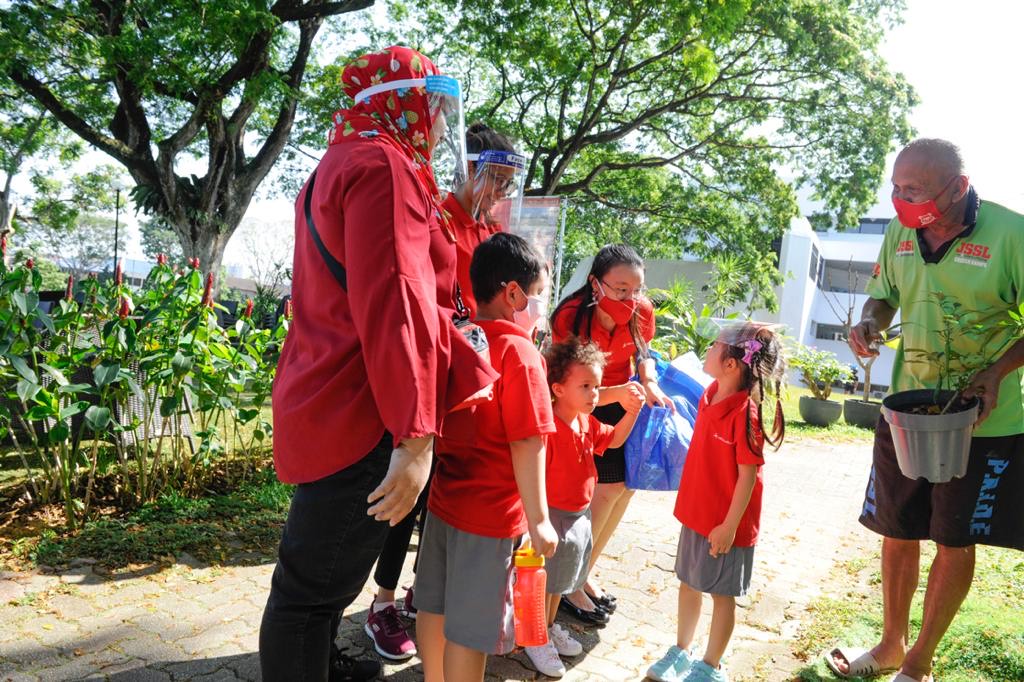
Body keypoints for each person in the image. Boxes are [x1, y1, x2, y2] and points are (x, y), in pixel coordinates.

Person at [259, 46, 497, 682]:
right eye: (435, 108)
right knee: (308, 597)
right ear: (406, 104)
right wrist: (416, 437)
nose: (443, 126)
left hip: (336, 397)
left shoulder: (343, 158)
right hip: (364, 411)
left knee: (317, 587)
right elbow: (398, 304)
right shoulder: (383, 165)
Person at [828, 138, 1024, 682]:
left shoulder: (1013, 235)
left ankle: (919, 663)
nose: (901, 199)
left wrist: (994, 375)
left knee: (954, 536)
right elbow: (883, 294)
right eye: (896, 187)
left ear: (958, 188)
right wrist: (870, 321)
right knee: (898, 528)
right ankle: (892, 644)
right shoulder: (900, 233)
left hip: (982, 419)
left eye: (914, 189)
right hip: (908, 412)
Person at [361, 122, 521, 662]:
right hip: (427, 375)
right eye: (493, 178)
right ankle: (381, 602)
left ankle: (415, 593)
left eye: (507, 182)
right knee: (405, 492)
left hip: (469, 382)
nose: (500, 192)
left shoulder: (487, 232)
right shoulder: (430, 215)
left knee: (439, 496)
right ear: (465, 168)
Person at [415, 232, 559, 682]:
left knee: (433, 607)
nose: (539, 306)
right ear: (512, 292)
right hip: (492, 516)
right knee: (471, 631)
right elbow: (528, 440)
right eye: (537, 295)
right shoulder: (521, 352)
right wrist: (539, 519)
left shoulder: (460, 337)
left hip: (442, 504)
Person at [647, 322, 785, 682]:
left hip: (727, 526)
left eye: (715, 346)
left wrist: (728, 526)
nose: (708, 349)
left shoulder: (746, 413)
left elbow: (748, 475)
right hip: (697, 514)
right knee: (689, 582)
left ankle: (710, 666)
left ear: (731, 364)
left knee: (722, 595)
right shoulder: (710, 393)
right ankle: (682, 651)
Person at [550, 243, 676, 624]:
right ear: (595, 284)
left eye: (635, 289)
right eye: (620, 289)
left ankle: (584, 572)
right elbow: (566, 383)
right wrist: (615, 394)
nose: (630, 298)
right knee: (602, 491)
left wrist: (648, 381)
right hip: (584, 401)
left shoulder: (643, 311)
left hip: (626, 399)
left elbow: (643, 351)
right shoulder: (571, 317)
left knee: (625, 487)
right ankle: (569, 581)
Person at [523, 338, 645, 677]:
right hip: (553, 517)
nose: (595, 394)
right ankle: (539, 636)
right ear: (559, 389)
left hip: (578, 516)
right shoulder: (549, 427)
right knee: (548, 583)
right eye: (586, 386)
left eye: (597, 386)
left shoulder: (585, 422)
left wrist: (632, 411)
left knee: (561, 581)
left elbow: (615, 440)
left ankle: (546, 630)